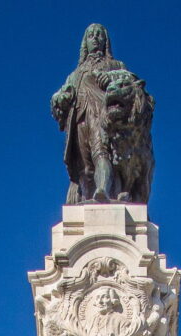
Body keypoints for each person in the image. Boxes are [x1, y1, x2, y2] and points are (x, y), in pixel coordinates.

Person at [51, 24, 126, 203]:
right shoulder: (75, 74)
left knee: (102, 151)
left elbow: (129, 85)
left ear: (105, 42)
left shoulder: (115, 66)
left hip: (102, 115)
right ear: (85, 42)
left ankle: (103, 191)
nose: (96, 39)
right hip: (79, 117)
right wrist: (61, 97)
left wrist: (112, 79)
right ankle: (86, 196)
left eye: (100, 35)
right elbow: (58, 100)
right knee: (83, 166)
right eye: (91, 35)